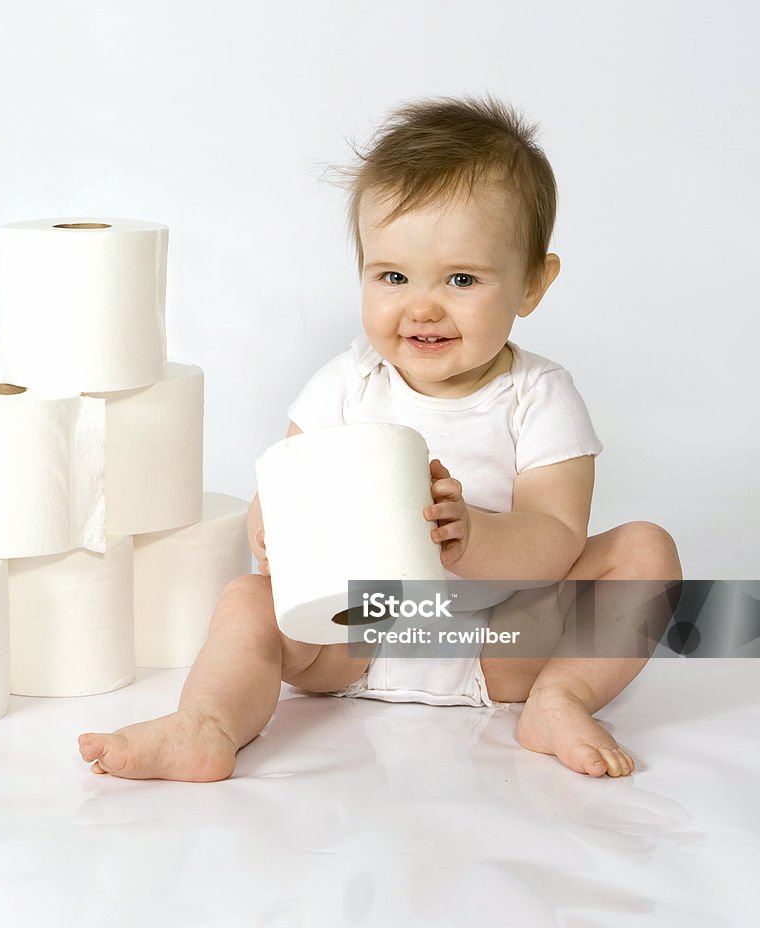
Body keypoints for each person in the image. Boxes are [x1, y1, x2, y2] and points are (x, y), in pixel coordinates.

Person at [79, 95, 682, 782]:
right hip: (351, 633)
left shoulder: (539, 395)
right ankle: (208, 723)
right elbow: (287, 486)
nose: (421, 305)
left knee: (643, 552)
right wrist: (270, 526)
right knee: (246, 600)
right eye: (392, 276)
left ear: (532, 285)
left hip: (501, 643)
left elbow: (557, 536)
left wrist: (476, 538)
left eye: (461, 278)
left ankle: (560, 697)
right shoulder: (347, 382)